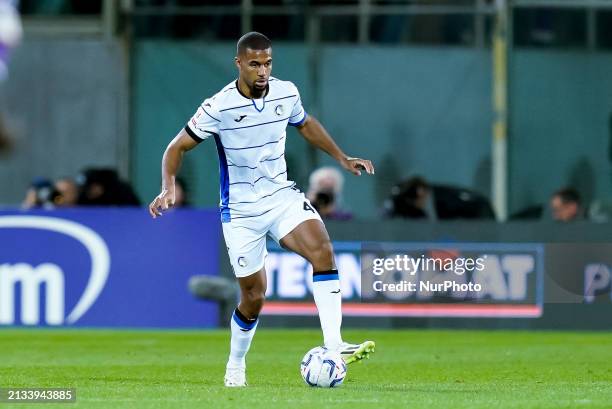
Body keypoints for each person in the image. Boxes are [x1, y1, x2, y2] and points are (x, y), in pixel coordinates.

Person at [149, 32, 376, 387]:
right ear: (239, 63)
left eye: (267, 63)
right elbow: (176, 148)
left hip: (280, 196)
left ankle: (333, 344)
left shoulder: (286, 92)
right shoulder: (219, 106)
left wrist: (341, 158)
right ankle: (235, 365)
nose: (262, 71)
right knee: (253, 297)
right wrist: (168, 187)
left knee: (322, 250)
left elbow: (306, 125)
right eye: (254, 64)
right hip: (240, 211)